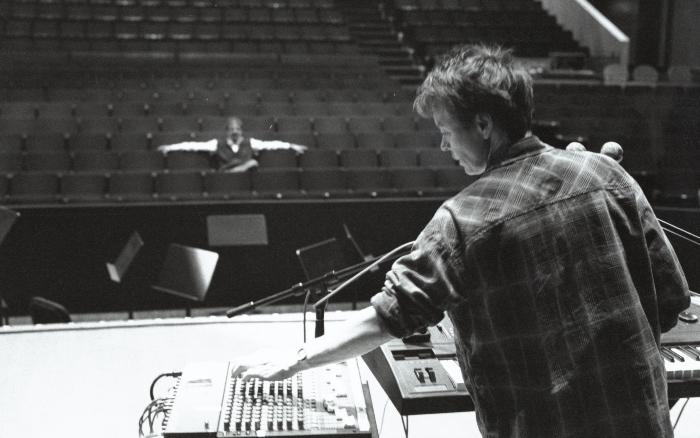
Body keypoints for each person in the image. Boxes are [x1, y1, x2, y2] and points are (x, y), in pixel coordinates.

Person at [235, 45, 690, 437]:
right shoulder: (608, 174)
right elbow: (670, 298)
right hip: (641, 421)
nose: (443, 146)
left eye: (446, 130)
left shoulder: (463, 217)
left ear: (484, 124)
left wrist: (295, 361)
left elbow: (386, 318)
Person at [157, 116, 307, 172]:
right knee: (252, 163)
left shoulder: (251, 143)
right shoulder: (216, 144)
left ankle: (243, 168)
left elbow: (272, 144)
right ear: (227, 131)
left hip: (245, 181)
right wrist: (170, 148)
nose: (235, 132)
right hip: (226, 178)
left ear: (241, 131)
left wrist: (292, 146)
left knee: (253, 163)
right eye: (231, 129)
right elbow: (192, 145)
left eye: (237, 129)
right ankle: (242, 168)